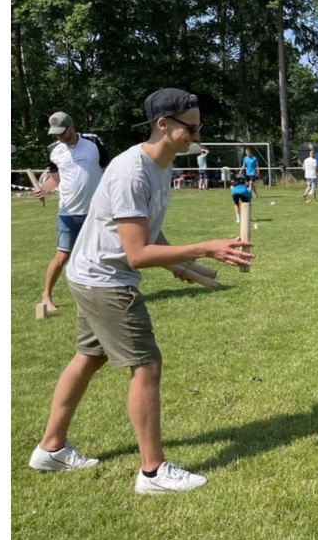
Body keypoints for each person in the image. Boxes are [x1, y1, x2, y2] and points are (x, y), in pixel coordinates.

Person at [28, 88, 253, 494]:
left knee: (89, 357)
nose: (196, 134)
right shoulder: (133, 170)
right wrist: (206, 246)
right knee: (146, 366)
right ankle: (153, 472)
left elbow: (148, 229)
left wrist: (180, 264)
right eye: (190, 127)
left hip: (90, 273)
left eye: (199, 126)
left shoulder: (161, 164)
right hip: (106, 279)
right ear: (162, 125)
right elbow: (135, 253)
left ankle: (50, 448)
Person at [34, 112, 111, 312]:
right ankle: (46, 297)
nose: (59, 137)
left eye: (62, 133)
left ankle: (99, 295)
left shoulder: (93, 142)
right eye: (56, 134)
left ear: (72, 126)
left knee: (99, 254)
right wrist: (43, 189)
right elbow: (55, 179)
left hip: (95, 211)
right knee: (62, 256)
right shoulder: (53, 150)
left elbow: (108, 168)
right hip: (68, 212)